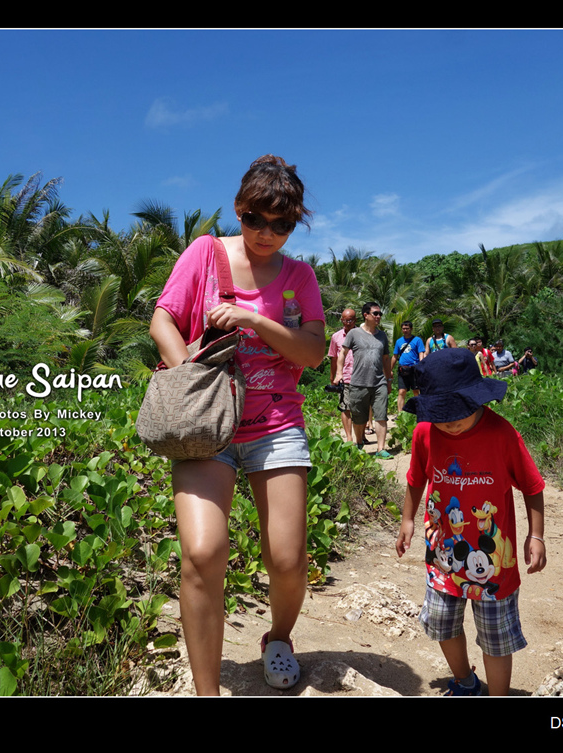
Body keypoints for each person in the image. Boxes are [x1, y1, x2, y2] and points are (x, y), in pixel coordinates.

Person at [150, 155, 325, 695]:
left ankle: (278, 637)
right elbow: (162, 319)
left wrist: (254, 318)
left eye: (282, 225)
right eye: (255, 220)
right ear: (238, 211)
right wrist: (192, 380)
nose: (267, 234)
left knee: (289, 559)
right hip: (207, 427)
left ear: (293, 224)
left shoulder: (300, 276)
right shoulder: (204, 253)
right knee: (202, 554)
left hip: (275, 423)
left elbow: (314, 353)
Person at [395, 348, 547, 696]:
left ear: (477, 398)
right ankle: (465, 681)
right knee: (441, 624)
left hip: (494, 564)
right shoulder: (425, 434)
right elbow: (416, 479)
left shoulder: (501, 434)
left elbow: (532, 485)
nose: (450, 422)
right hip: (443, 556)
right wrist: (407, 519)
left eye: (458, 412)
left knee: (495, 638)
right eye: (441, 414)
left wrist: (535, 535)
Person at [335, 301, 391, 459]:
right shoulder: (354, 333)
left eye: (380, 314)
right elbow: (342, 354)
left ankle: (381, 448)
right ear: (366, 315)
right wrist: (339, 373)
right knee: (359, 417)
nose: (379, 316)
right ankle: (359, 443)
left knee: (381, 415)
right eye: (376, 313)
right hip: (358, 382)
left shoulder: (382, 336)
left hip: (379, 382)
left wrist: (389, 379)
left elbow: (386, 359)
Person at [328, 308, 357, 442]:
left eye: (350, 320)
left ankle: (360, 436)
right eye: (345, 320)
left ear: (355, 320)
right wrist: (333, 376)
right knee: (345, 408)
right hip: (344, 376)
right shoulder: (336, 337)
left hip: (360, 376)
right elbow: (333, 358)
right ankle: (349, 438)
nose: (347, 323)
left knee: (359, 408)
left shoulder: (362, 334)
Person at [392, 320, 425, 413]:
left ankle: (420, 411)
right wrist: (389, 369)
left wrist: (421, 366)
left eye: (407, 328)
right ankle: (400, 414)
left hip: (414, 369)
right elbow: (395, 356)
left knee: (416, 391)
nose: (405, 330)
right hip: (403, 369)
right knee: (401, 391)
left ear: (411, 329)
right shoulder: (399, 341)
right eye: (403, 329)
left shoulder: (417, 340)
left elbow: (421, 353)